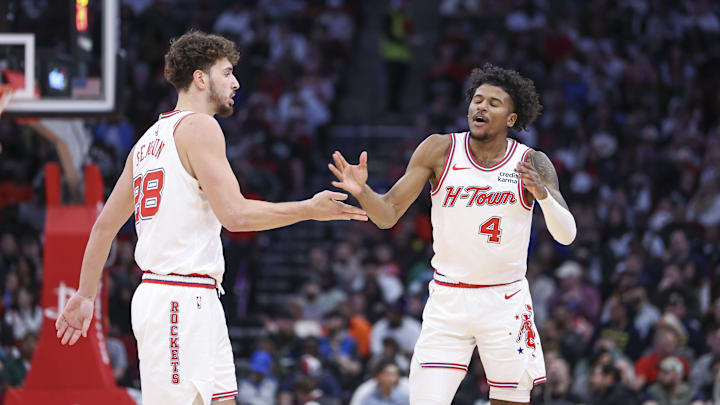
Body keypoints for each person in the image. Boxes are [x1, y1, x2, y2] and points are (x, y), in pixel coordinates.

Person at [54, 30, 367, 405]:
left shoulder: (146, 141)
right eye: (227, 72)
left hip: (194, 296)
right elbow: (235, 215)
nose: (236, 82)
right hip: (177, 297)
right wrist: (309, 210)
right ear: (200, 78)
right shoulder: (200, 127)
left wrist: (87, 294)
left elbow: (105, 226)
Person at [329, 63, 577, 405]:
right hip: (448, 298)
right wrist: (363, 191)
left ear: (511, 117)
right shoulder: (438, 150)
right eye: (477, 99)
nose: (481, 106)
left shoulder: (531, 162)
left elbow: (567, 234)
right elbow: (386, 215)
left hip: (505, 302)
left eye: (494, 102)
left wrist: (544, 197)